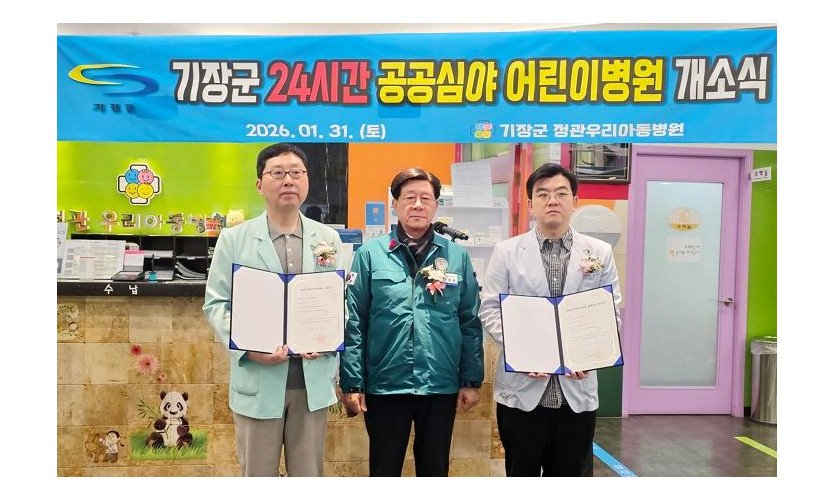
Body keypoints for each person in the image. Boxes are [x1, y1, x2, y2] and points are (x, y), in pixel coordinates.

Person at [203, 143, 345, 477]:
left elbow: (341, 301)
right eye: (278, 173)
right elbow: (216, 303)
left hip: (311, 382)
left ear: (307, 180)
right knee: (257, 475)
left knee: (308, 476)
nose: (288, 180)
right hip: (258, 380)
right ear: (259, 184)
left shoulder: (328, 239)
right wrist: (248, 348)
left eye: (296, 172)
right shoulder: (234, 239)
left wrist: (327, 338)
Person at [479, 163, 622, 477]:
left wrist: (590, 354)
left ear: (575, 201)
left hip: (577, 392)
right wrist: (523, 351)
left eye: (561, 193)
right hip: (522, 392)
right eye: (543, 194)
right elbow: (489, 309)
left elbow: (610, 311)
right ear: (531, 205)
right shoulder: (507, 252)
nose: (552, 201)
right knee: (521, 475)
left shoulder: (599, 252)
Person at [340, 167, 484, 477]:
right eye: (409, 198)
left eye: (425, 198)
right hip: (385, 384)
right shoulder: (370, 254)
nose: (417, 205)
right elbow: (355, 322)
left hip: (439, 383)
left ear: (435, 206)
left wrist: (471, 380)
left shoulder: (456, 256)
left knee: (435, 471)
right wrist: (353, 382)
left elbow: (469, 321)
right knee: (384, 469)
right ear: (395, 204)